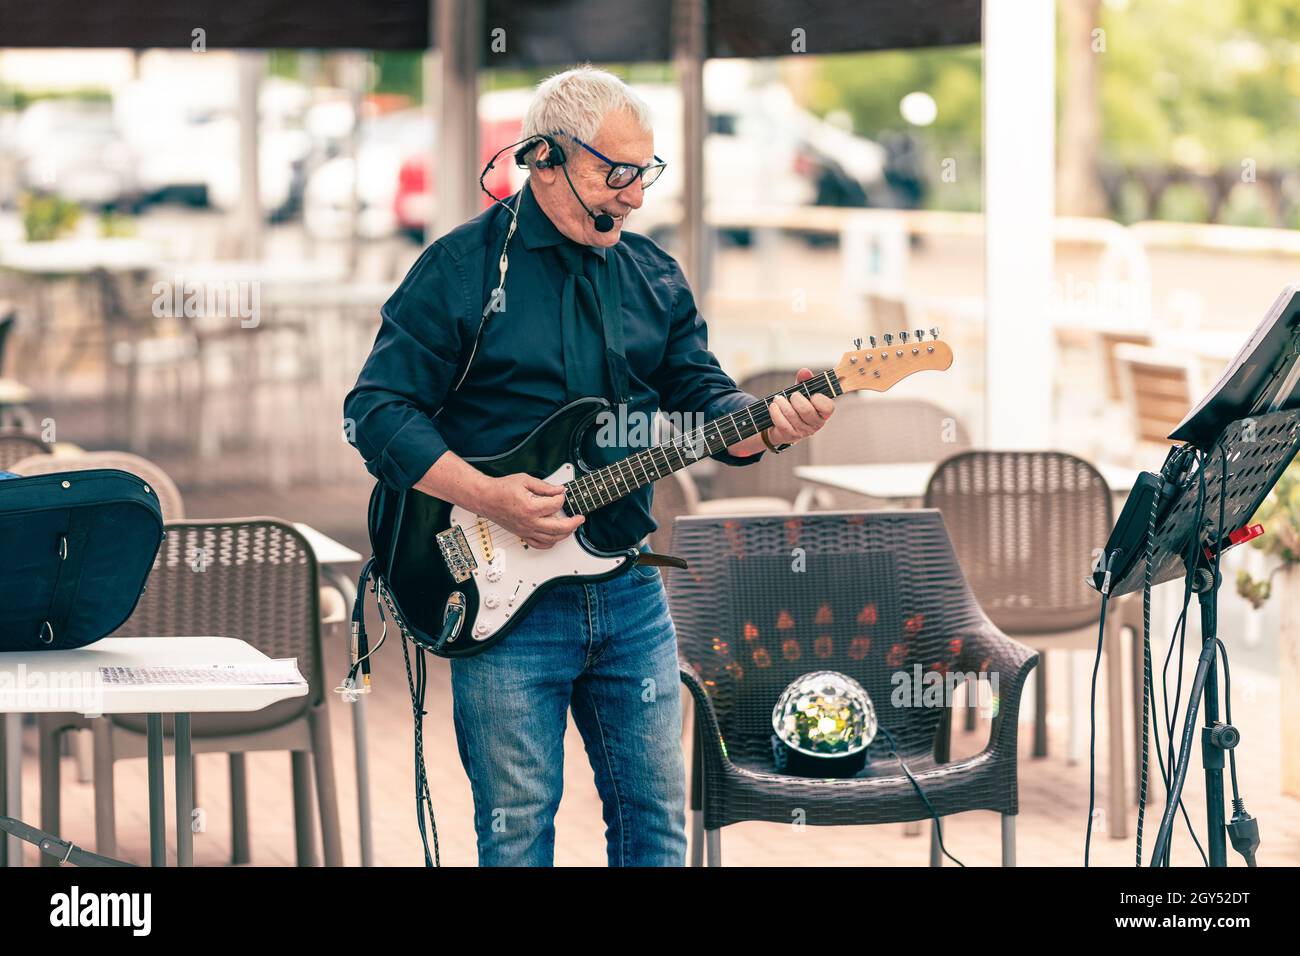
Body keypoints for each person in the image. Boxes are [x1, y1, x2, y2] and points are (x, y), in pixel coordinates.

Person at [344, 66, 833, 866]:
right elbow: (375, 413)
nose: (636, 196)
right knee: (517, 833)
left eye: (646, 173)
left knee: (655, 830)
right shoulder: (462, 270)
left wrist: (766, 425)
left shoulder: (654, 277)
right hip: (502, 599)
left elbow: (704, 400)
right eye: (617, 173)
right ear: (543, 158)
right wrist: (488, 497)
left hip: (631, 590)